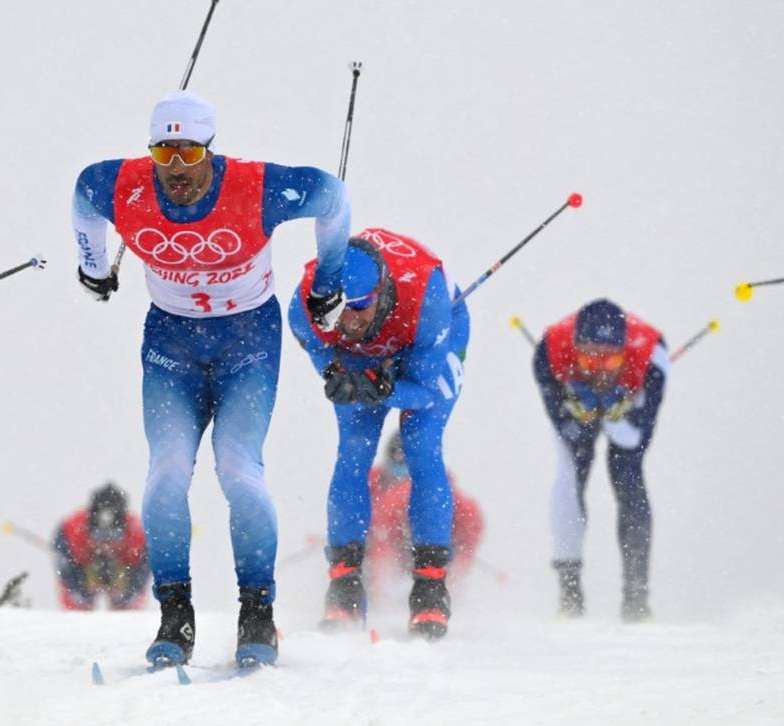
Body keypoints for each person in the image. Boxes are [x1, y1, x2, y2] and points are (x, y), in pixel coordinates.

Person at [71, 90, 352, 667]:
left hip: (247, 341)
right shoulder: (121, 185)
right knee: (167, 473)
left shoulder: (257, 186)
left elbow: (333, 195)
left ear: (210, 149)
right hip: (171, 343)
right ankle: (175, 613)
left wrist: (330, 280)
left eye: (190, 153)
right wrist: (92, 266)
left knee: (238, 469)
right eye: (164, 153)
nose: (177, 169)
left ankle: (257, 611)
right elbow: (82, 194)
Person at [288, 228, 469, 639]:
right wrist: (334, 374)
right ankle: (345, 584)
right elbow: (318, 347)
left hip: (425, 338)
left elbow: (423, 391)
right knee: (354, 449)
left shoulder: (428, 297)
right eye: (338, 310)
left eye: (361, 307)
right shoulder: (304, 304)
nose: (350, 320)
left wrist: (387, 388)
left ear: (381, 291)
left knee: (420, 445)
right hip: (361, 357)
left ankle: (430, 589)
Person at [532, 299, 667, 622]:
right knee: (568, 477)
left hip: (630, 404)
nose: (600, 371)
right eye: (589, 359)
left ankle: (636, 594)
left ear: (625, 351)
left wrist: (617, 418)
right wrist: (578, 419)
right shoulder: (549, 351)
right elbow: (564, 428)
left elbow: (639, 439)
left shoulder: (652, 355)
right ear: (575, 350)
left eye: (610, 361)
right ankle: (570, 590)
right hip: (574, 404)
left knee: (628, 477)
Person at [366, 434, 484, 594]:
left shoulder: (441, 489)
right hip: (392, 546)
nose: (403, 468)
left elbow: (470, 524)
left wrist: (458, 567)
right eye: (398, 457)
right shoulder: (372, 483)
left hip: (428, 547)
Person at [53, 482, 149, 611]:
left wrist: (126, 595)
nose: (106, 545)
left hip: (125, 572)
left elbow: (142, 577)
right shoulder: (70, 531)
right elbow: (66, 573)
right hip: (82, 570)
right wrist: (82, 592)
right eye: (99, 536)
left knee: (129, 608)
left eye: (114, 537)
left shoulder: (140, 536)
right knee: (76, 606)